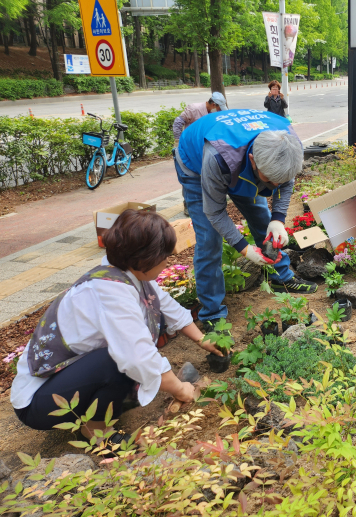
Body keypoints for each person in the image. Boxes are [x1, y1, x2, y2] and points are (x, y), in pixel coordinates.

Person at [10, 210, 222, 441]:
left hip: (69, 380)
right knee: (118, 359)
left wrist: (204, 341)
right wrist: (181, 389)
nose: (166, 261)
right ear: (145, 260)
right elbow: (137, 356)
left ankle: (103, 406)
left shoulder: (125, 273)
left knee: (131, 354)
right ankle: (96, 431)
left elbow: (170, 309)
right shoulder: (107, 290)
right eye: (164, 257)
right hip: (40, 403)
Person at [174, 109, 317, 329]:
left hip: (241, 158)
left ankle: (282, 277)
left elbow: (285, 181)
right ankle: (212, 313)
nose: (274, 186)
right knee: (209, 239)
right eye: (269, 179)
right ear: (253, 161)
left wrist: (278, 219)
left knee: (262, 217)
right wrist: (243, 248)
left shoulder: (288, 144)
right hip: (195, 164)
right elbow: (214, 212)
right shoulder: (217, 158)